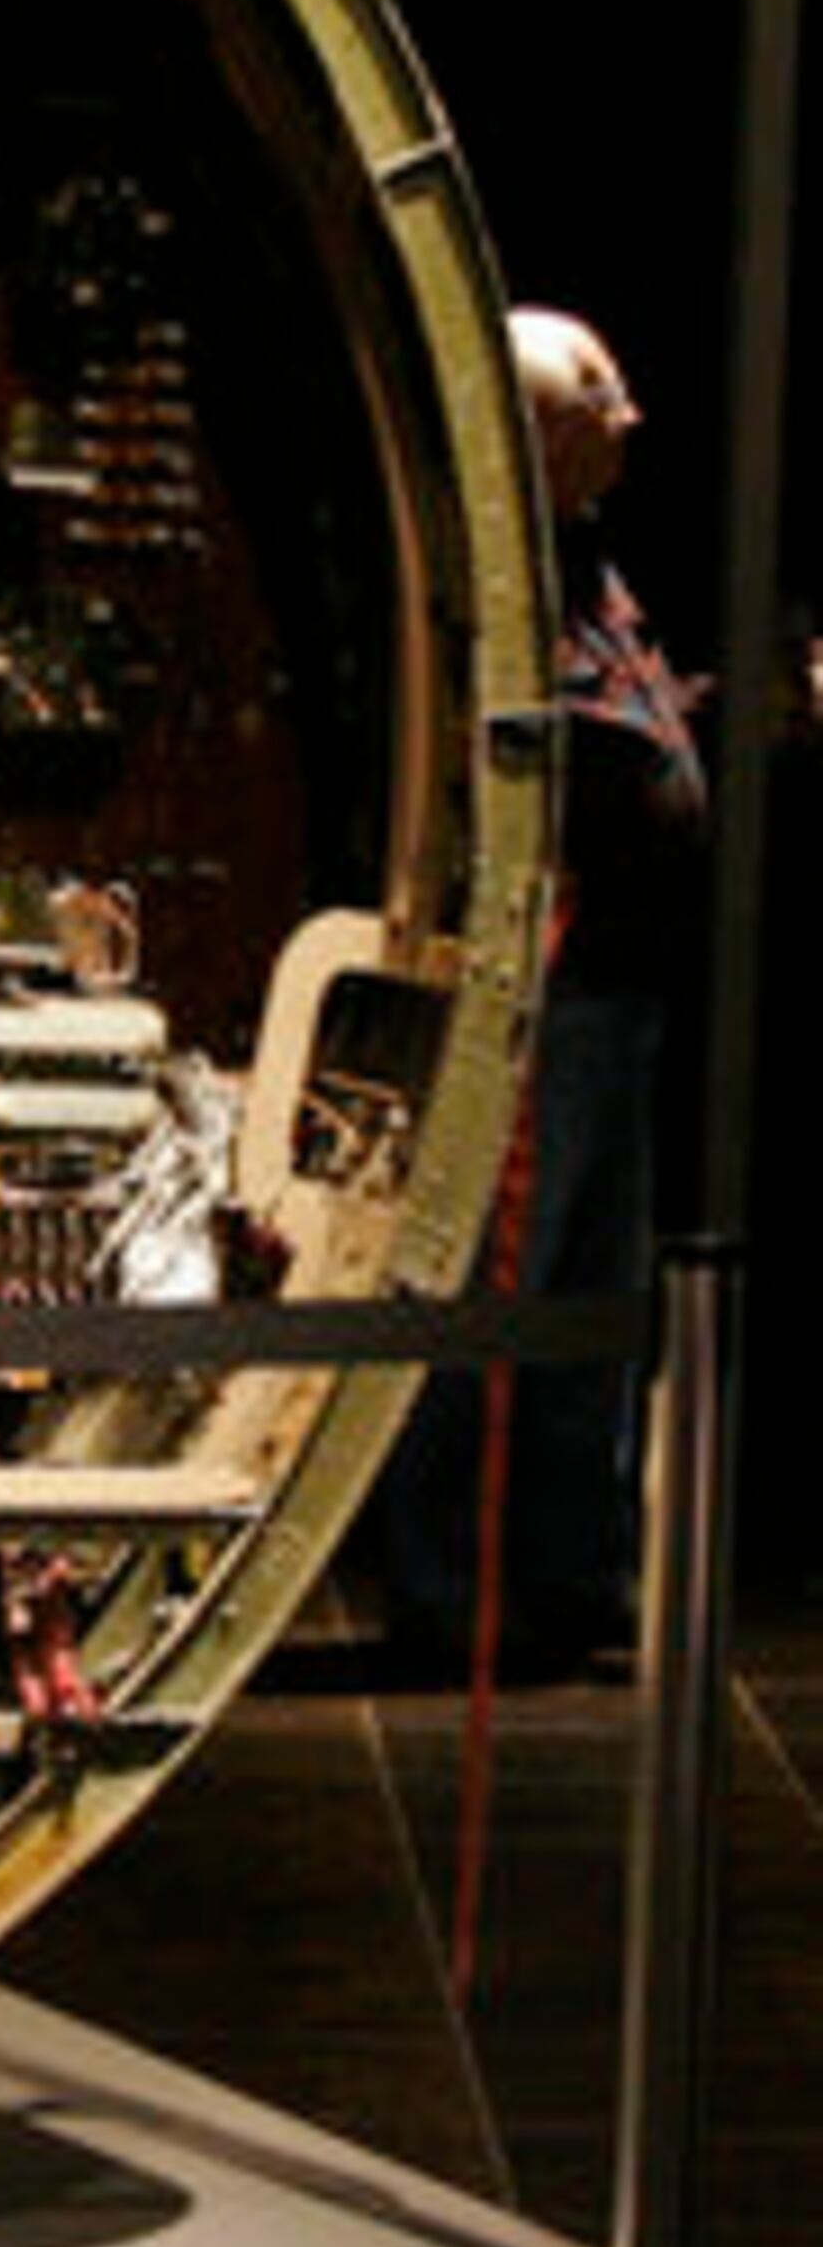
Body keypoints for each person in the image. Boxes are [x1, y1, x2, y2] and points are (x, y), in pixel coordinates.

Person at [376, 304, 708, 1676]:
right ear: (534, 428)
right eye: (599, 397)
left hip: (616, 990)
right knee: (493, 1303)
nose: (629, 420)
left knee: (587, 1311)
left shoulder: (578, 560)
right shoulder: (498, 567)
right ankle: (452, 1592)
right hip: (545, 991)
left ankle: (573, 1583)